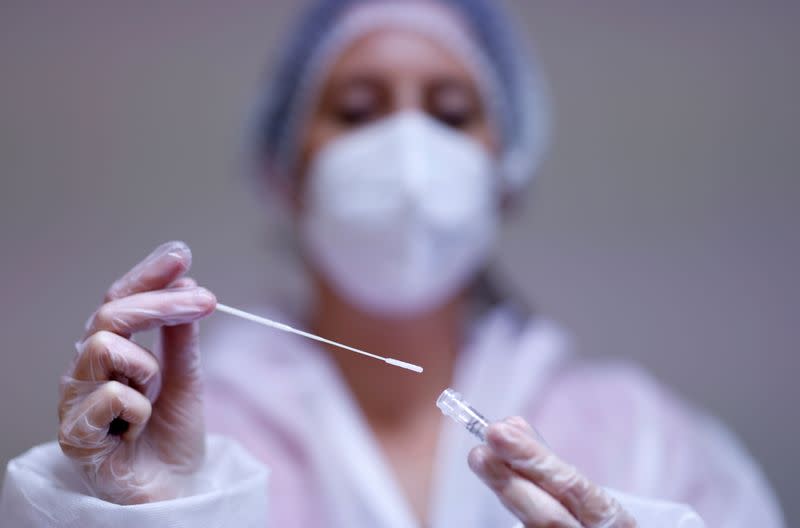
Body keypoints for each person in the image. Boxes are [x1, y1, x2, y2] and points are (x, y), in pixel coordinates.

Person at [0, 1, 785, 526]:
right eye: (356, 111)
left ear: (503, 171)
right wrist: (142, 515)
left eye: (450, 114)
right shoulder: (187, 440)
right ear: (287, 168)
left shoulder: (640, 436)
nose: (409, 157)